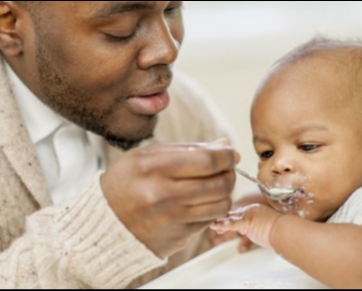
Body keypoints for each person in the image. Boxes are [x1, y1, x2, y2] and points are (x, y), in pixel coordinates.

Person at [0, 1, 240, 289]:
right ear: (10, 22)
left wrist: (237, 235)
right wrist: (104, 237)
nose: (167, 49)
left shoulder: (184, 113)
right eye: (120, 30)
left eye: (172, 10)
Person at [211, 38, 362, 289]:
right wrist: (248, 208)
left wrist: (273, 228)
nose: (279, 164)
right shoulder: (328, 200)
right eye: (266, 153)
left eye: (307, 146)